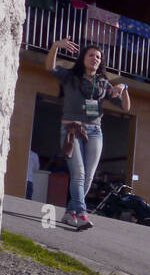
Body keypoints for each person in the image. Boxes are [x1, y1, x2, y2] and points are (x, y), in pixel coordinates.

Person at [45, 36, 129, 229]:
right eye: (91, 55)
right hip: (71, 129)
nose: (95, 59)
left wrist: (124, 87)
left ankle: (70, 212)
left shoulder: (103, 83)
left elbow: (126, 106)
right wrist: (56, 46)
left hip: (95, 132)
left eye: (98, 57)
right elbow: (50, 67)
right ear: (83, 58)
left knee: (89, 175)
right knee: (79, 173)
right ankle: (82, 212)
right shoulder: (70, 77)